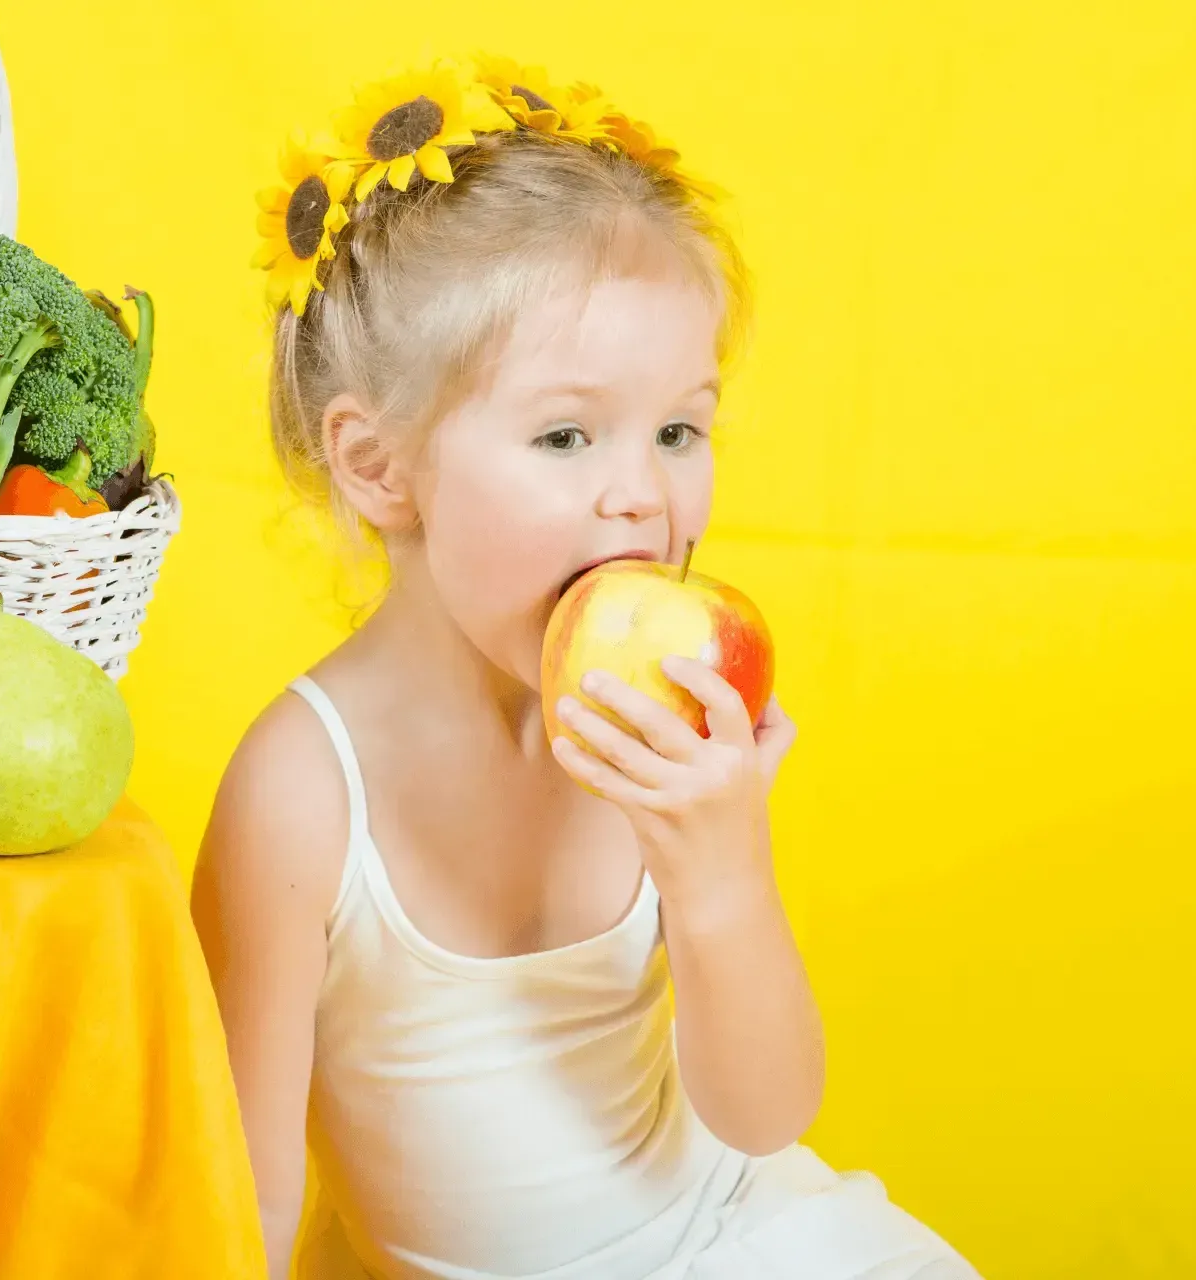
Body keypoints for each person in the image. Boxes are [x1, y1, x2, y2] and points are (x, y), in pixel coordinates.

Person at [192, 58, 983, 1280]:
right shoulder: (303, 790)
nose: (643, 492)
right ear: (377, 466)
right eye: (566, 434)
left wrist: (720, 865)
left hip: (743, 1231)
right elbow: (241, 1193)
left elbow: (766, 1116)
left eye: (680, 429)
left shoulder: (660, 727)